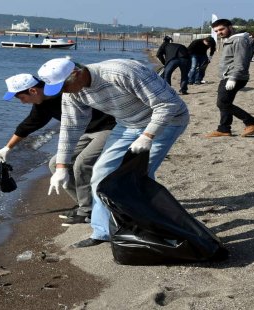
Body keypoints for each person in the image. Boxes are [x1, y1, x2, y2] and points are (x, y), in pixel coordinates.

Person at [37, 58, 189, 248]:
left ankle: (149, 226)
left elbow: (168, 104)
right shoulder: (72, 92)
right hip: (127, 124)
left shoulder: (122, 72)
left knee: (136, 176)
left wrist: (148, 135)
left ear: (76, 72)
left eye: (63, 87)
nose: (62, 92)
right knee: (100, 174)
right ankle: (101, 232)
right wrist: (61, 167)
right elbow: (70, 128)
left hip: (168, 121)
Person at [0, 73, 115, 226]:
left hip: (108, 127)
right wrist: (7, 148)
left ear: (33, 91)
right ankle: (86, 205)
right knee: (55, 164)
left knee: (81, 163)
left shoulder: (67, 91)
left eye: (21, 98)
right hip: (83, 132)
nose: (22, 102)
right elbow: (29, 125)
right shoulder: (41, 104)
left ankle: (87, 212)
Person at [205, 19, 254, 138]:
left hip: (234, 76)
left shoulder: (239, 40)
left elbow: (240, 61)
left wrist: (233, 78)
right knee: (225, 103)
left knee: (222, 103)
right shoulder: (235, 39)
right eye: (216, 31)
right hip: (229, 75)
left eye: (221, 29)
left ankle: (252, 122)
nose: (219, 33)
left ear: (230, 27)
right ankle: (224, 129)